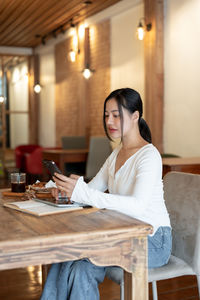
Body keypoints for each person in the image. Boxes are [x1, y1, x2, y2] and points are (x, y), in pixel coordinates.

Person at [40, 88, 172, 300]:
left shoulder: (149, 155)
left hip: (152, 240)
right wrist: (69, 191)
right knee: (70, 256)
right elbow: (93, 190)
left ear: (135, 116)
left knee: (77, 255)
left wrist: (81, 192)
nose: (110, 121)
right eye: (106, 115)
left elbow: (137, 206)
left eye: (116, 115)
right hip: (123, 233)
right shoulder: (116, 154)